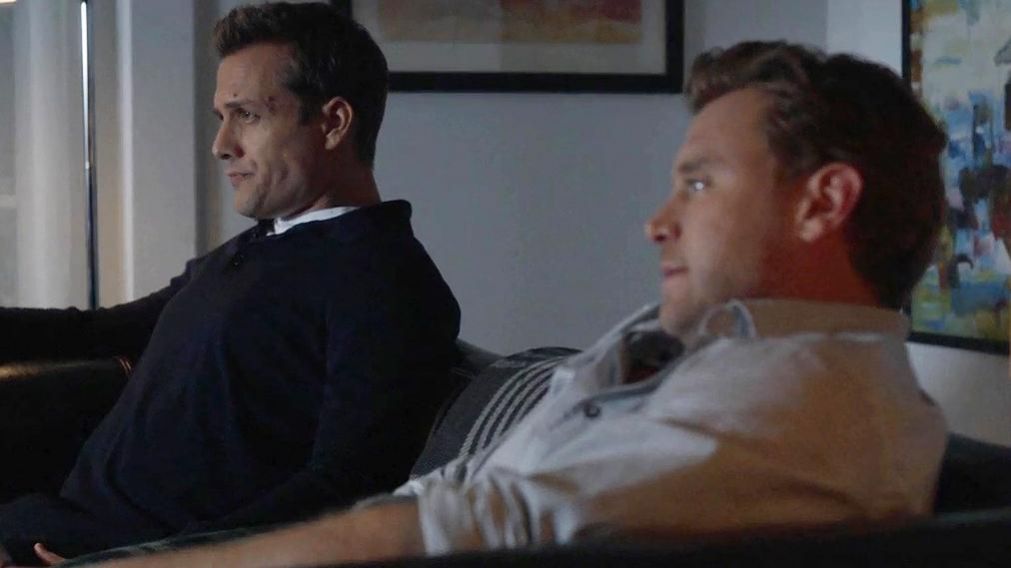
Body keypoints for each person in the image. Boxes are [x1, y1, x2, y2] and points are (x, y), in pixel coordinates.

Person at [71, 40, 950, 567]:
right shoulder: (707, 348)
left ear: (822, 202)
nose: (657, 222)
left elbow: (477, 523)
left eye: (698, 183)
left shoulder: (812, 401)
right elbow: (457, 489)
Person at [0, 2, 460, 565]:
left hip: (111, 554)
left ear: (334, 122)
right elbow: (100, 331)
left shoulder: (387, 282)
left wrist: (155, 560)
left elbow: (348, 485)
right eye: (222, 116)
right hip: (43, 522)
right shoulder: (253, 249)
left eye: (246, 115)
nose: (221, 144)